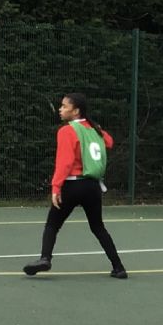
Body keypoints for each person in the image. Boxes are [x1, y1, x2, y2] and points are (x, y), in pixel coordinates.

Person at [23, 92, 128, 279]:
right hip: (92, 187)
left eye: (64, 106)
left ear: (76, 111)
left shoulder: (67, 131)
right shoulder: (94, 130)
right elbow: (109, 142)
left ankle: (45, 258)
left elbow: (65, 162)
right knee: (98, 227)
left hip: (72, 185)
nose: (60, 109)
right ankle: (118, 267)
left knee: (52, 224)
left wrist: (56, 187)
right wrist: (96, 129)